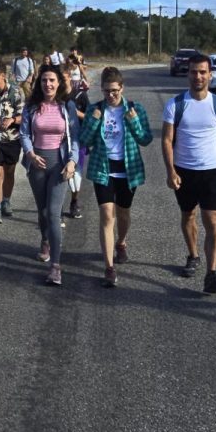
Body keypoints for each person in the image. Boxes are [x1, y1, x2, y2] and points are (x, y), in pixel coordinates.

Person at [162, 53, 216, 294]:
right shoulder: (175, 104)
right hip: (184, 171)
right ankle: (193, 255)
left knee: (212, 221)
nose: (198, 76)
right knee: (188, 216)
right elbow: (167, 140)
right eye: (194, 72)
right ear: (188, 74)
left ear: (210, 75)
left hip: (212, 171)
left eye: (203, 72)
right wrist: (171, 171)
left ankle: (212, 273)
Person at [76, 67, 154, 288]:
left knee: (123, 213)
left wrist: (134, 121)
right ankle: (109, 267)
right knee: (107, 215)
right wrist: (94, 121)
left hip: (128, 169)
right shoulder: (95, 109)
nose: (111, 95)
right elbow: (84, 141)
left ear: (122, 88)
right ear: (101, 90)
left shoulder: (135, 109)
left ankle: (121, 242)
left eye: (114, 91)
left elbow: (146, 139)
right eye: (106, 91)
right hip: (103, 168)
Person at [20, 64, 79, 286]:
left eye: (52, 80)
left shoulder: (67, 106)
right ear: (40, 83)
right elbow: (24, 133)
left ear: (59, 83)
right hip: (37, 162)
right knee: (43, 211)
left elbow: (75, 137)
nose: (48, 84)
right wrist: (30, 154)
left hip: (59, 164)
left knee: (54, 213)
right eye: (44, 80)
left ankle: (55, 266)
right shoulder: (31, 106)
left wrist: (72, 161)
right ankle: (45, 239)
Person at [0, 60, 24, 224]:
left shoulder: (16, 92)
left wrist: (12, 120)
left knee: (9, 172)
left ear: (3, 76)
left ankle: (6, 200)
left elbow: (24, 116)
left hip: (12, 139)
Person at [61, 49, 91, 221]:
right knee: (58, 173)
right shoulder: (54, 97)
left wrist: (75, 113)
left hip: (77, 139)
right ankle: (57, 207)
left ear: (70, 78)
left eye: (65, 79)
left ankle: (74, 201)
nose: (62, 83)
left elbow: (91, 117)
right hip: (58, 141)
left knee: (76, 172)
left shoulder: (80, 95)